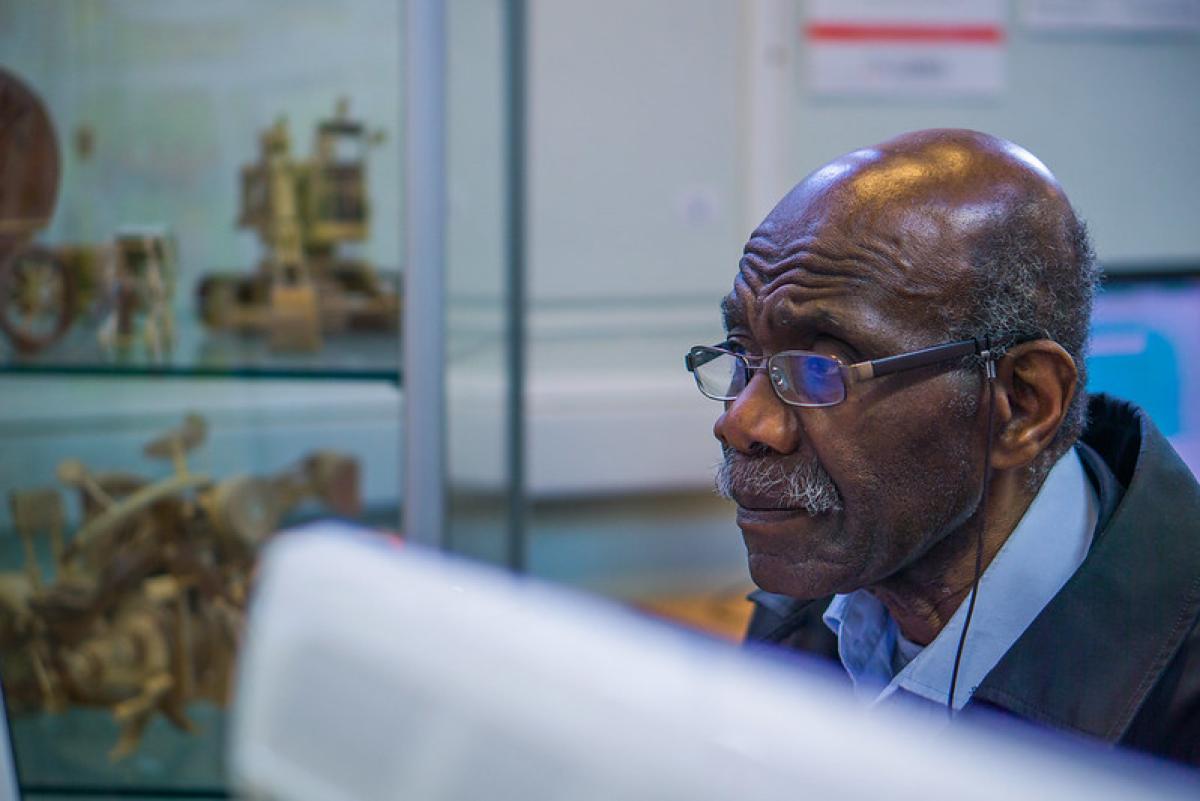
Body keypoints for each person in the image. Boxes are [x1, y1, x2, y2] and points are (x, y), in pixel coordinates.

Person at [685, 129, 1200, 765]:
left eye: (823, 367)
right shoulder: (826, 581)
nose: (742, 421)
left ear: (1022, 404)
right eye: (742, 355)